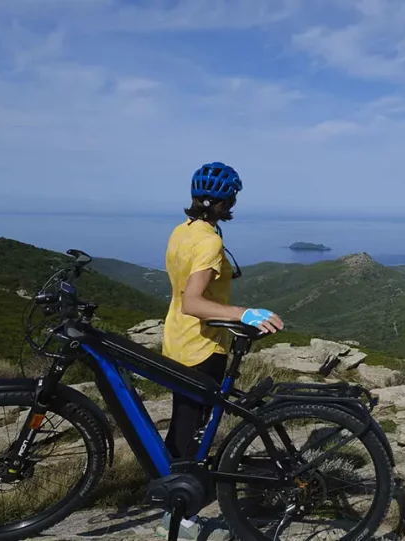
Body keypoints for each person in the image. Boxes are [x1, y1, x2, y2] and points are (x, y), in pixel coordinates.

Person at [158, 161, 284, 541]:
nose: (232, 205)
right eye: (231, 198)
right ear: (220, 201)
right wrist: (244, 313)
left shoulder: (183, 231)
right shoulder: (210, 241)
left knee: (183, 421)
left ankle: (174, 501)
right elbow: (193, 302)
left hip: (175, 340)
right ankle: (178, 517)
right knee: (190, 429)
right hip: (202, 346)